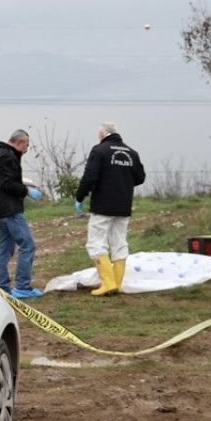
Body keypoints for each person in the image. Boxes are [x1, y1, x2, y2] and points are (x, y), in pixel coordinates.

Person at [75, 122, 145, 296]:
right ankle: (118, 283)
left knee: (96, 242)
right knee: (119, 242)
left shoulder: (99, 151)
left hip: (103, 205)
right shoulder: (131, 153)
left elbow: (90, 176)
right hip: (124, 205)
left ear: (102, 133)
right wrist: (123, 181)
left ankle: (108, 283)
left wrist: (80, 196)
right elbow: (140, 177)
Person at [0, 129, 43, 298]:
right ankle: (23, 286)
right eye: (27, 145)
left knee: (5, 248)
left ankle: (1, 285)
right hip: (10, 211)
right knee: (27, 245)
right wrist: (26, 191)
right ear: (20, 142)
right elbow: (7, 183)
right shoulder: (8, 157)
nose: (27, 149)